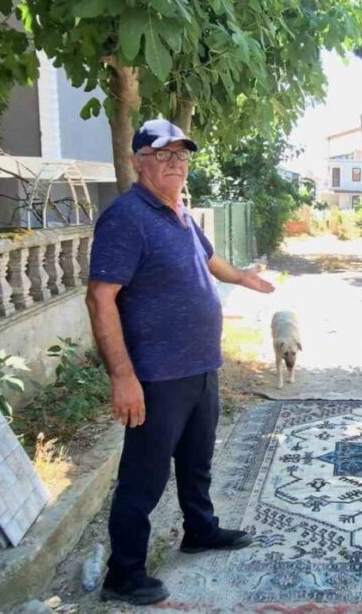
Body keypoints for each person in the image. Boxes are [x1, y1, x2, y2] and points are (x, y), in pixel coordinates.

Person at [85, 118, 275, 605]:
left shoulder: (179, 212)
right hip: (156, 375)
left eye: (182, 155)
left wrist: (244, 278)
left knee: (197, 460)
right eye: (163, 154)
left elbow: (209, 261)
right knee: (143, 478)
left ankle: (199, 529)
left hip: (200, 365)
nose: (175, 163)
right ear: (139, 161)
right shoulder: (126, 217)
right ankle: (124, 574)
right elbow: (101, 297)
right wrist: (123, 376)